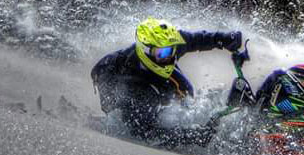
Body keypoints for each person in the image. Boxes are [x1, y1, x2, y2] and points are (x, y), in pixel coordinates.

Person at [91, 17, 242, 141]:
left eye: (172, 50)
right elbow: (147, 134)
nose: (169, 56)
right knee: (137, 116)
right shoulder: (133, 87)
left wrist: (222, 39)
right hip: (115, 80)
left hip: (149, 74)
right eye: (163, 53)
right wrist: (193, 137)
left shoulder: (166, 44)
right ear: (145, 51)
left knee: (184, 89)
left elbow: (194, 40)